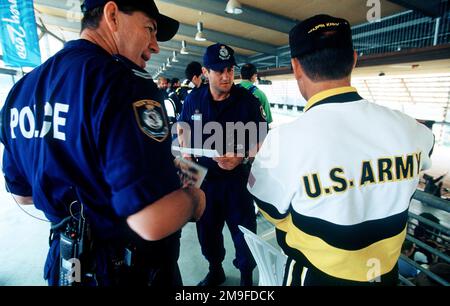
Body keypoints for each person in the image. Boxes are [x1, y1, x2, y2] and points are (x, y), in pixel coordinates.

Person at [0, 0, 205, 286]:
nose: (155, 45)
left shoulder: (22, 90)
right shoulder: (123, 83)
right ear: (112, 15)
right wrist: (195, 201)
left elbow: (23, 194)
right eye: (150, 29)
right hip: (124, 269)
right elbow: (151, 221)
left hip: (66, 265)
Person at [247, 14, 435, 286]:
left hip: (316, 277)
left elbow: (271, 210)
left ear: (296, 67)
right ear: (354, 59)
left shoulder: (282, 143)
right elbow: (425, 151)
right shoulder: (410, 129)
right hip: (384, 275)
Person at [177, 43, 268, 286]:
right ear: (206, 72)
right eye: (220, 71)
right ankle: (215, 269)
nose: (227, 76)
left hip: (237, 182)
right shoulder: (193, 100)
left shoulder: (247, 101)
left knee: (244, 234)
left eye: (229, 70)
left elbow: (262, 139)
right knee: (207, 234)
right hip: (206, 183)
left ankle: (247, 277)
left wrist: (242, 157)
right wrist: (189, 180)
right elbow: (183, 132)